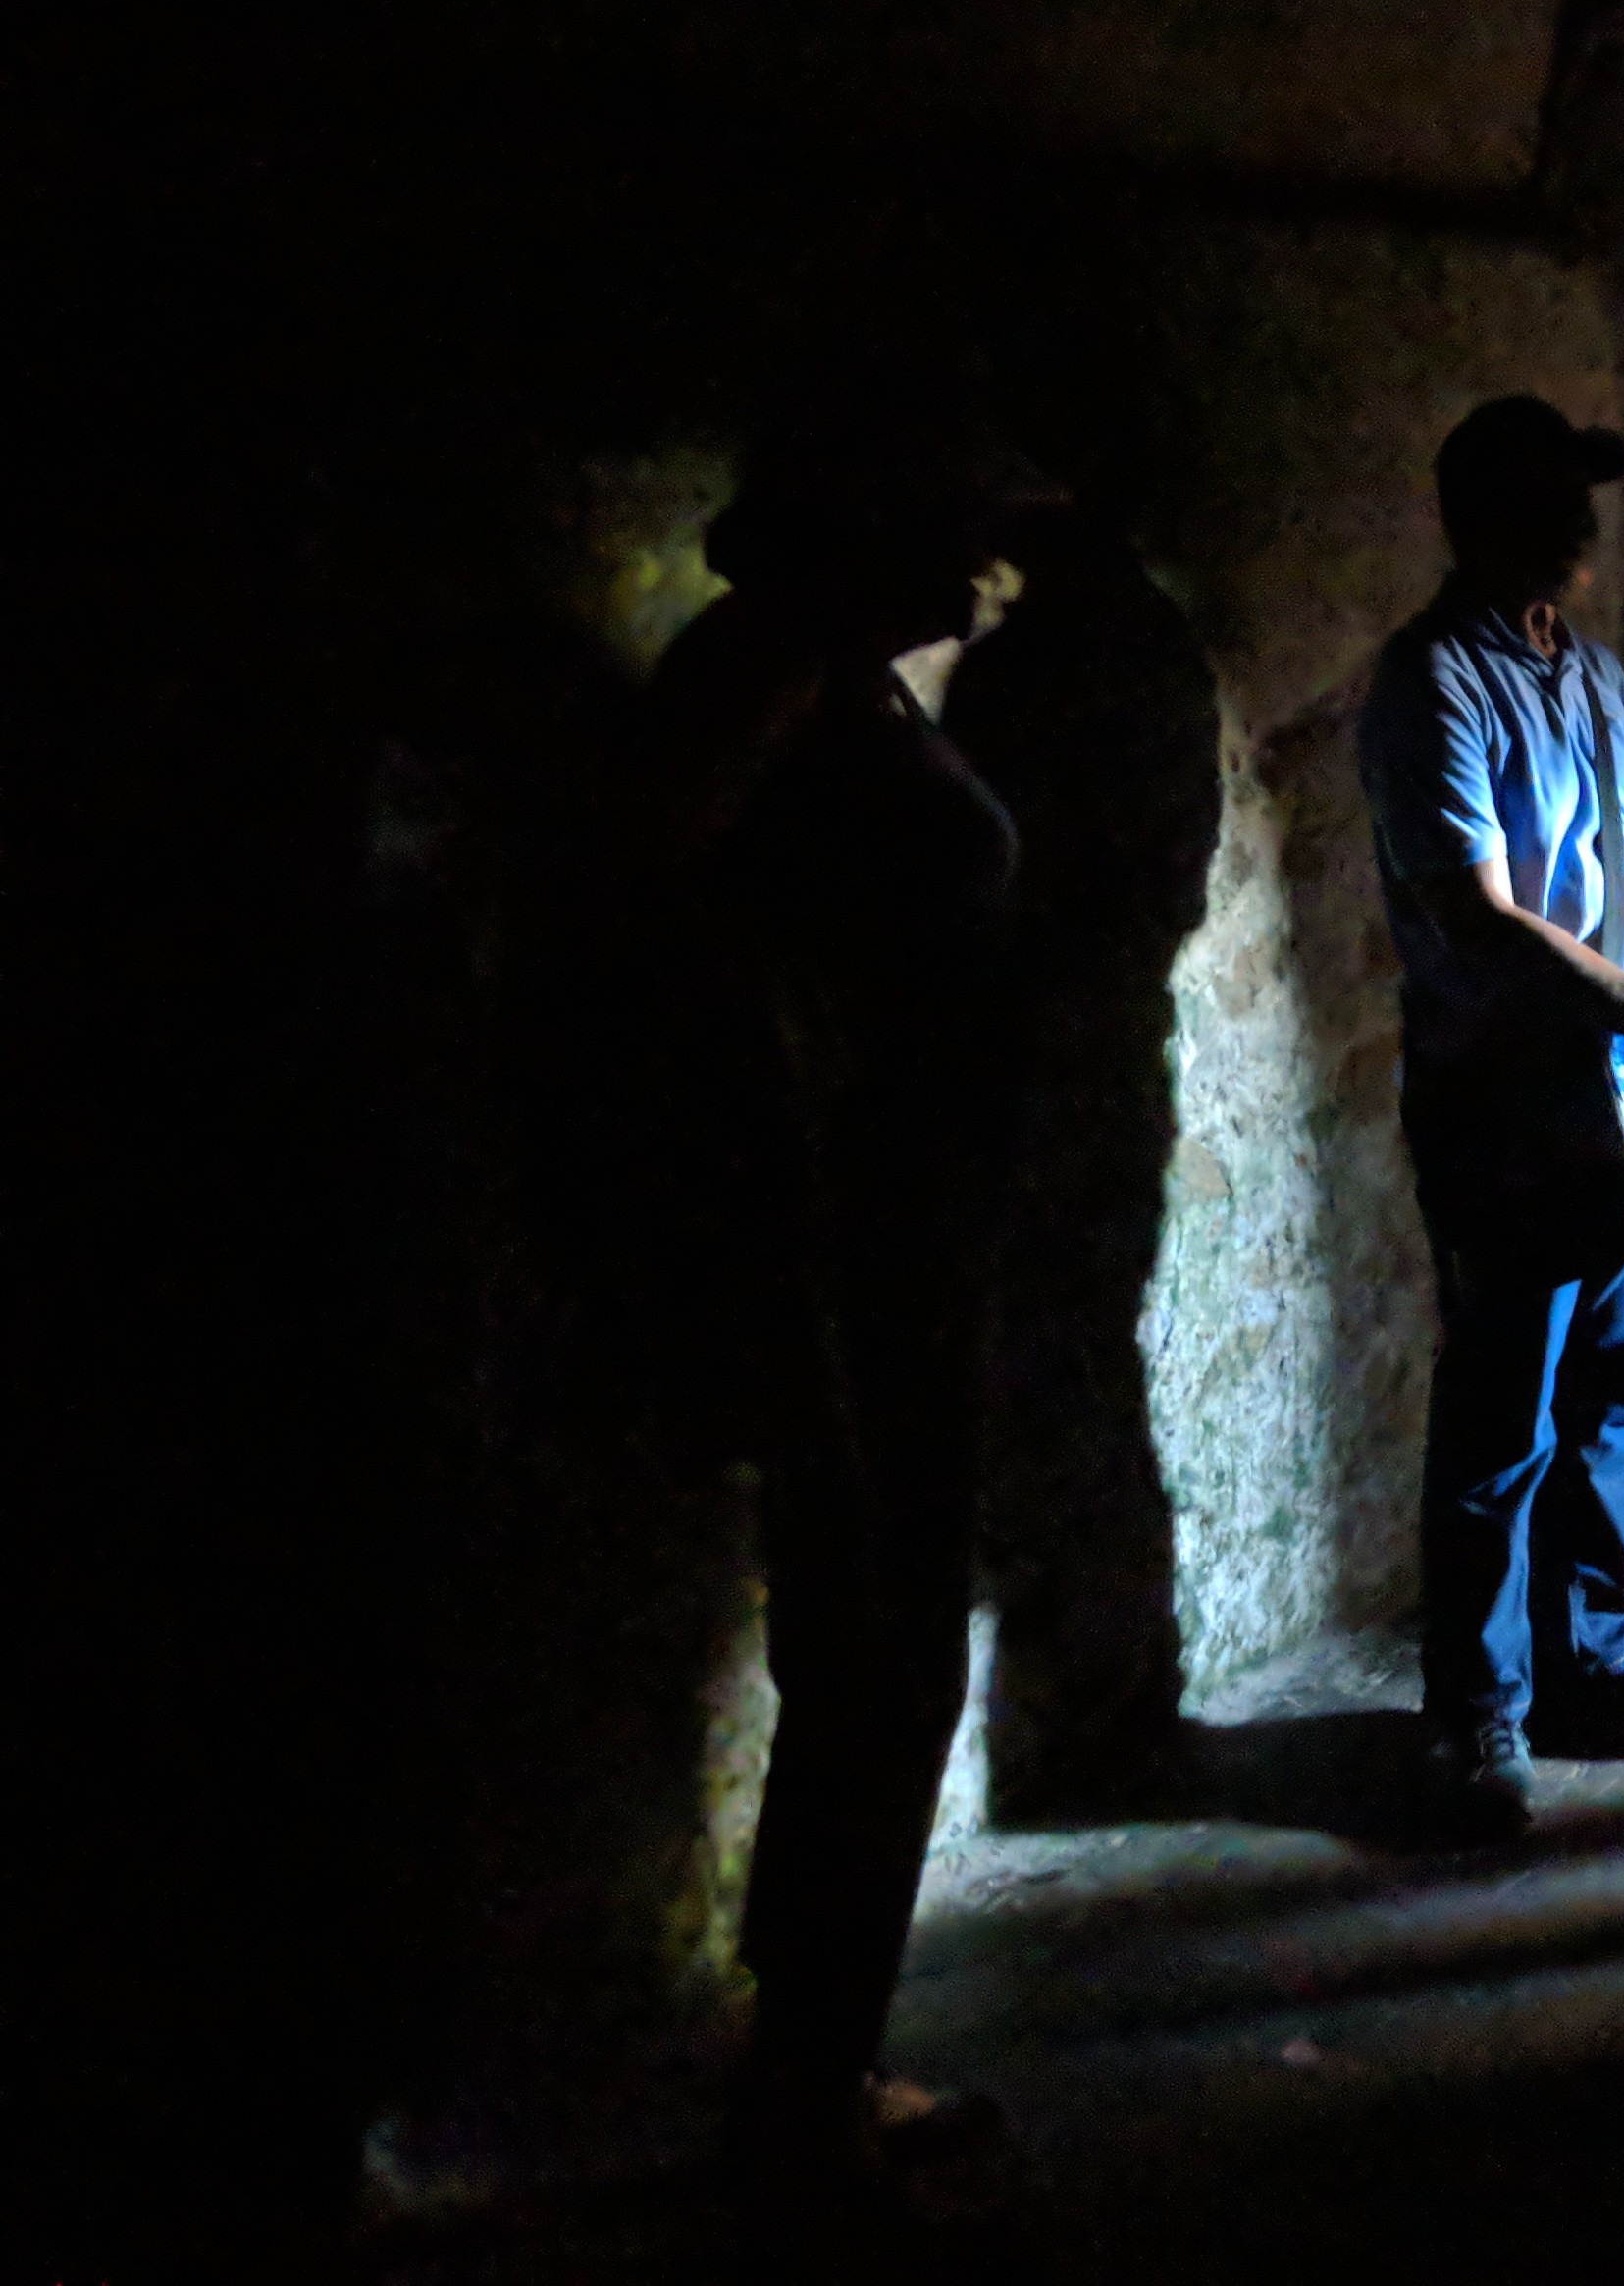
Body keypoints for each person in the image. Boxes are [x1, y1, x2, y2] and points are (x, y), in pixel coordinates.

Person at [648, 416, 1052, 2229]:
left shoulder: (839, 687)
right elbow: (686, 956)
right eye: (960, 525)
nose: (989, 561)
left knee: (885, 1657)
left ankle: (816, 2064)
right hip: (846, 1264)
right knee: (876, 1657)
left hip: (903, 1249)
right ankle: (803, 2102)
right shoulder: (768, 690)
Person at [1360, 395, 1624, 1841]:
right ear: (1483, 516)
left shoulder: (1595, 673)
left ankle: (1589, 1665)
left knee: (1608, 1405)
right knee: (1501, 1422)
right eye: (1556, 493)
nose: (1586, 520)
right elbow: (1473, 914)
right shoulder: (1433, 683)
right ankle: (1473, 1713)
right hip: (1514, 1104)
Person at [943, 503, 1222, 1821]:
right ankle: (1109, 1698)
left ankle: (1094, 1707)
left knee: (1058, 1378)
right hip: (1096, 1054)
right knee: (1085, 1374)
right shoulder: (1153, 654)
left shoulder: (1043, 668)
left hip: (1041, 1065)